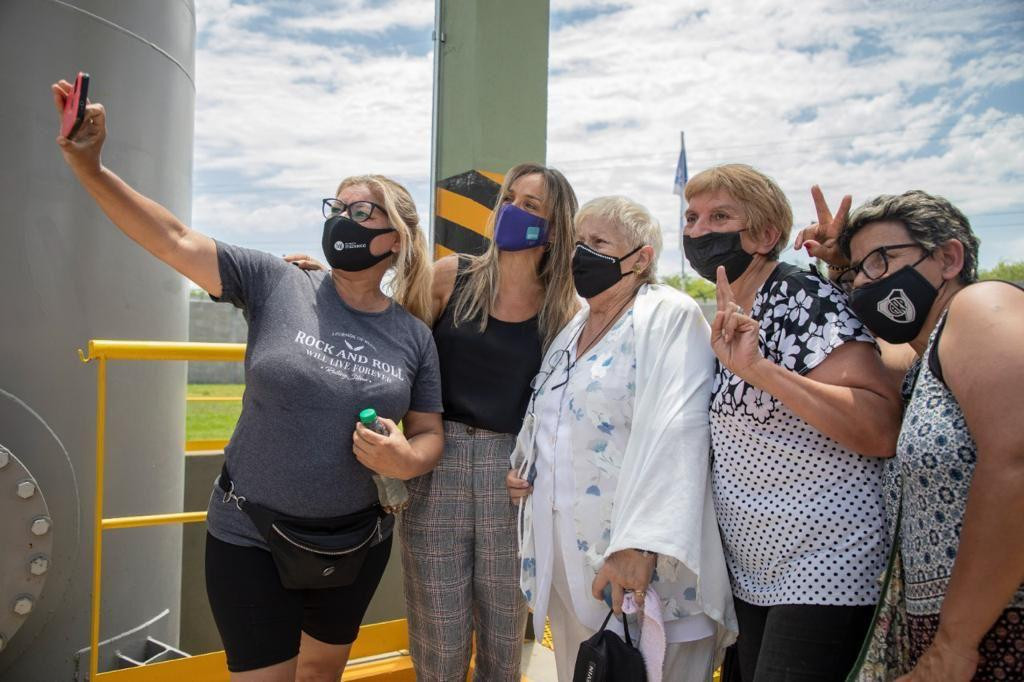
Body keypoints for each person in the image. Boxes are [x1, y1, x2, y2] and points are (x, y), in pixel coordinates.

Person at [51, 79, 444, 682]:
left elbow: (428, 434)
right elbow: (174, 238)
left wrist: (404, 460)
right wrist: (91, 167)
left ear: (397, 237)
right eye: (336, 208)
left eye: (360, 211)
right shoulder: (276, 281)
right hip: (249, 535)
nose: (342, 220)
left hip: (355, 546)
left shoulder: (413, 336)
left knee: (320, 676)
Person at [286, 163, 580, 680]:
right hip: (437, 464)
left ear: (555, 227)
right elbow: (388, 337)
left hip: (511, 478)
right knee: (438, 636)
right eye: (508, 198)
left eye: (530, 205)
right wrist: (328, 284)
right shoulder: (453, 275)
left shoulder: (565, 310)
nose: (511, 210)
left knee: (503, 638)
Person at [682, 164, 904, 681]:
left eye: (719, 216)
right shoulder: (730, 308)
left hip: (825, 562)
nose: (697, 231)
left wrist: (762, 371)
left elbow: (879, 425)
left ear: (765, 235)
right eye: (691, 217)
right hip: (758, 569)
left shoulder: (803, 296)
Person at [508, 196, 737, 681]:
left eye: (599, 243)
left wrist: (641, 544)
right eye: (579, 242)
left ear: (640, 259)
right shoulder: (573, 328)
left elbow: (678, 429)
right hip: (572, 563)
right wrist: (527, 468)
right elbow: (553, 416)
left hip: (641, 569)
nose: (581, 254)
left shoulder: (668, 315)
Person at [811, 190, 1023, 681]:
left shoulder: (979, 308)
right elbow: (869, 361)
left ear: (949, 258)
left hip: (991, 632)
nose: (866, 281)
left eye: (881, 260)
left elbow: (1016, 459)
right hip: (955, 636)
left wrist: (955, 643)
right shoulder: (922, 359)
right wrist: (838, 271)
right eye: (859, 270)